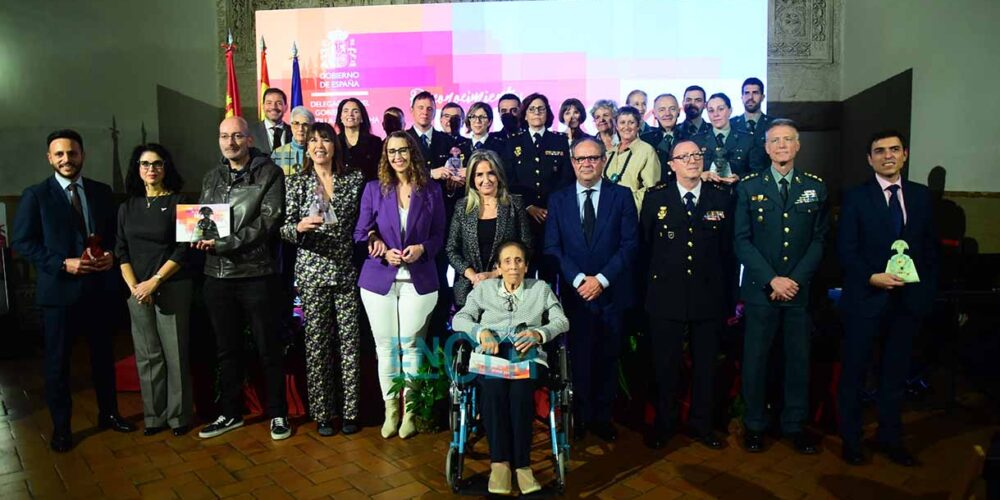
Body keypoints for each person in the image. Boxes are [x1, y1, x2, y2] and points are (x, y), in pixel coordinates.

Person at [13, 129, 136, 452]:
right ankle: (62, 428)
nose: (67, 159)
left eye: (73, 153)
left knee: (103, 358)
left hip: (99, 291)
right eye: (60, 154)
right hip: (59, 295)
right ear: (50, 158)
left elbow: (112, 236)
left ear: (83, 154)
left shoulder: (101, 191)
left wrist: (111, 254)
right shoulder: (35, 195)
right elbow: (23, 242)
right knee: (58, 365)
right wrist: (60, 263)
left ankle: (109, 413)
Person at [837, 130, 938, 467]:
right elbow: (846, 250)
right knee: (855, 373)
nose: (887, 156)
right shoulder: (855, 198)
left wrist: (924, 294)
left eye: (894, 149)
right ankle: (851, 440)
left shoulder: (922, 197)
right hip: (866, 298)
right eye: (879, 151)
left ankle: (890, 437)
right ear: (870, 159)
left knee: (895, 374)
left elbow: (929, 250)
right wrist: (871, 276)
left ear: (905, 154)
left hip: (907, 303)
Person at [734, 119, 828, 455]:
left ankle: (794, 425)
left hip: (799, 293)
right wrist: (772, 279)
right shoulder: (748, 187)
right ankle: (755, 425)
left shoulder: (816, 187)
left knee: (797, 361)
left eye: (788, 140)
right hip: (761, 290)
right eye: (775, 141)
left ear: (798, 145)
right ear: (766, 147)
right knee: (756, 361)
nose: (782, 146)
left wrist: (794, 281)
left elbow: (819, 240)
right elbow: (741, 241)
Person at [195, 116, 291, 441]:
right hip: (216, 276)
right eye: (224, 136)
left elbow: (268, 223)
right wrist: (198, 235)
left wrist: (224, 243)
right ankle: (230, 413)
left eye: (237, 136)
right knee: (227, 349)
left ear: (250, 139)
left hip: (257, 275)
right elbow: (203, 219)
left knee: (268, 348)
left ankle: (278, 414)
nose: (230, 142)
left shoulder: (270, 173)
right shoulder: (211, 176)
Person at [452, 240, 569, 496]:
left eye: (518, 261)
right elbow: (460, 317)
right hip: (491, 357)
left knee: (519, 392)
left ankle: (523, 466)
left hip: (527, 357)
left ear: (527, 266)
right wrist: (480, 331)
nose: (513, 266)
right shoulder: (484, 290)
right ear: (498, 267)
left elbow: (562, 321)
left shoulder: (540, 289)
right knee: (493, 389)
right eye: (507, 261)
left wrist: (539, 334)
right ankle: (500, 464)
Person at [639, 140, 733, 450]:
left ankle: (702, 425)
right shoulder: (656, 199)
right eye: (684, 156)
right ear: (671, 165)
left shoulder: (721, 197)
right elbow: (645, 249)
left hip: (709, 296)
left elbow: (729, 254)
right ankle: (665, 424)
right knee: (665, 366)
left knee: (706, 366)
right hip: (666, 296)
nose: (692, 160)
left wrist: (730, 299)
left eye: (696, 155)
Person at [544, 136, 638, 442]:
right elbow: (553, 247)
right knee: (579, 357)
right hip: (575, 295)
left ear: (603, 161)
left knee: (609, 356)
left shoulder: (621, 196)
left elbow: (629, 245)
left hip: (611, 293)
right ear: (572, 163)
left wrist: (602, 279)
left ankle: (602, 416)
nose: (587, 164)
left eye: (593, 158)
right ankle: (581, 416)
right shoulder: (558, 199)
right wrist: (578, 280)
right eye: (581, 159)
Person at [354, 131, 446, 439]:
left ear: (413, 153)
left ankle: (411, 412)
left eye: (403, 150)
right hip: (379, 277)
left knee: (411, 345)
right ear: (386, 156)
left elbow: (439, 237)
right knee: (386, 348)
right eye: (392, 151)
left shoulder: (431, 190)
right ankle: (390, 410)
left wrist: (422, 249)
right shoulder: (373, 189)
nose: (398, 156)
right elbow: (361, 232)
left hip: (419, 279)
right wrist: (375, 241)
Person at [280, 122, 365, 437]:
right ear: (307, 146)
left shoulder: (353, 180)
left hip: (345, 272)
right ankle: (324, 413)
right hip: (312, 272)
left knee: (349, 343)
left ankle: (351, 412)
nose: (319, 145)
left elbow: (364, 220)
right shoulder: (297, 183)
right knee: (317, 346)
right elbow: (283, 229)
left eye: (325, 139)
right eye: (313, 140)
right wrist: (299, 227)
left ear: (334, 145)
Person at [116, 143, 192, 437]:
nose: (151, 169)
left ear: (166, 168)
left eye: (157, 164)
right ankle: (154, 417)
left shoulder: (180, 202)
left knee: (175, 353)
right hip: (137, 291)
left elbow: (184, 249)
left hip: (172, 286)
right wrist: (136, 287)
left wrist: (155, 281)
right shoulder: (127, 207)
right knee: (148, 356)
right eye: (145, 164)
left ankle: (179, 417)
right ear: (137, 169)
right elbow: (121, 251)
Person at [446, 149, 533, 308]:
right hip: (469, 290)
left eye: (491, 173)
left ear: (499, 175)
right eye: (479, 174)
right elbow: (451, 249)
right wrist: (473, 276)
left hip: (508, 287)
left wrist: (495, 274)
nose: (486, 180)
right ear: (472, 179)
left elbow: (526, 246)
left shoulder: (515, 204)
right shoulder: (462, 207)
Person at [505, 93, 573, 280]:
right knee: (523, 270)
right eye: (532, 109)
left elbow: (566, 178)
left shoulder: (559, 140)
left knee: (550, 270)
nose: (536, 112)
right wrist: (528, 206)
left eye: (541, 108)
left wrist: (551, 208)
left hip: (551, 217)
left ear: (547, 113)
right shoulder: (513, 142)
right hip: (522, 217)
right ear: (524, 114)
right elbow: (509, 180)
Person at [603, 105, 661, 211]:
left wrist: (627, 204)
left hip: (633, 212)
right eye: (622, 123)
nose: (627, 127)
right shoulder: (609, 153)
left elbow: (651, 188)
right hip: (608, 212)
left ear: (638, 126)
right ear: (616, 126)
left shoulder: (647, 151)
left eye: (631, 122)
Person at [694, 93, 755, 185]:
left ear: (730, 110)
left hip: (737, 194)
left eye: (721, 109)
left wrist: (739, 178)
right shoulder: (697, 140)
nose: (716, 114)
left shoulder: (747, 139)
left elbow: (757, 171)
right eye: (711, 110)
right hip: (706, 193)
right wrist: (701, 176)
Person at [730, 77, 774, 172]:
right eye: (747, 93)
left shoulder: (773, 125)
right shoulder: (731, 124)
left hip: (765, 181)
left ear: (762, 97)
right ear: (742, 97)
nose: (750, 97)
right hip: (736, 183)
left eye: (755, 93)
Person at [336, 98, 383, 182]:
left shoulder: (374, 142)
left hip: (367, 191)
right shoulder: (334, 142)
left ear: (362, 117)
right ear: (340, 117)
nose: (350, 114)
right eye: (346, 111)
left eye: (355, 111)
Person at [640, 93, 682, 184]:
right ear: (654, 114)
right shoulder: (644, 140)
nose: (667, 114)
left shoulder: (690, 139)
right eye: (662, 110)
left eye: (672, 109)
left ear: (679, 112)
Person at [271, 106, 315, 176]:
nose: (300, 129)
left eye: (305, 124)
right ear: (291, 126)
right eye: (296, 123)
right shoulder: (277, 153)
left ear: (312, 127)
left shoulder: (316, 152)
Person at [250, 88, 291, 154]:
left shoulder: (294, 132)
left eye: (279, 103)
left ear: (286, 107)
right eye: (269, 103)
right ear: (263, 106)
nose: (273, 107)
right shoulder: (250, 132)